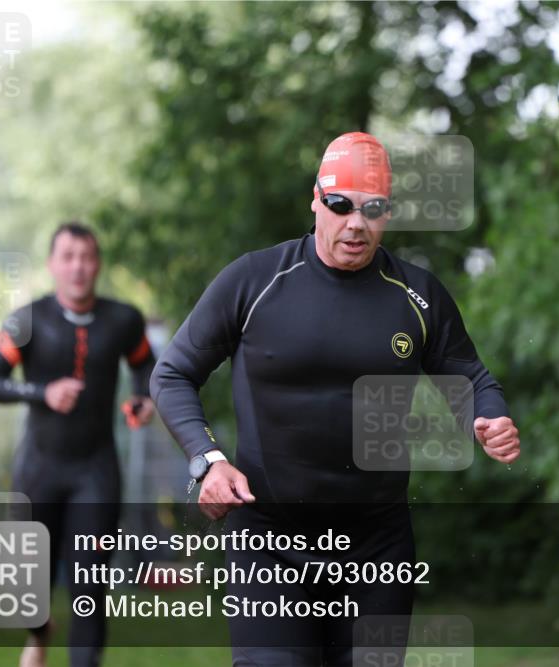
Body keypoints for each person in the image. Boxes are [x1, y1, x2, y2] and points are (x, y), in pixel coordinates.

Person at [151, 131, 520, 666]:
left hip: (376, 546)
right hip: (270, 537)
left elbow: (470, 377)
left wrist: (489, 417)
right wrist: (207, 462)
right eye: (340, 205)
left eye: (373, 209)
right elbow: (172, 373)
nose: (356, 223)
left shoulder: (416, 296)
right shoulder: (256, 281)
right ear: (316, 200)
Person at [0, 222, 156, 667]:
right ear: (52, 264)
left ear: (98, 264)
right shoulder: (27, 320)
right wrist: (42, 392)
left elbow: (146, 366)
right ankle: (37, 635)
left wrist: (142, 398)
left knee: (88, 586)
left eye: (87, 256)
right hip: (39, 469)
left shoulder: (124, 319)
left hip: (95, 470)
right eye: (69, 256)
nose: (78, 266)